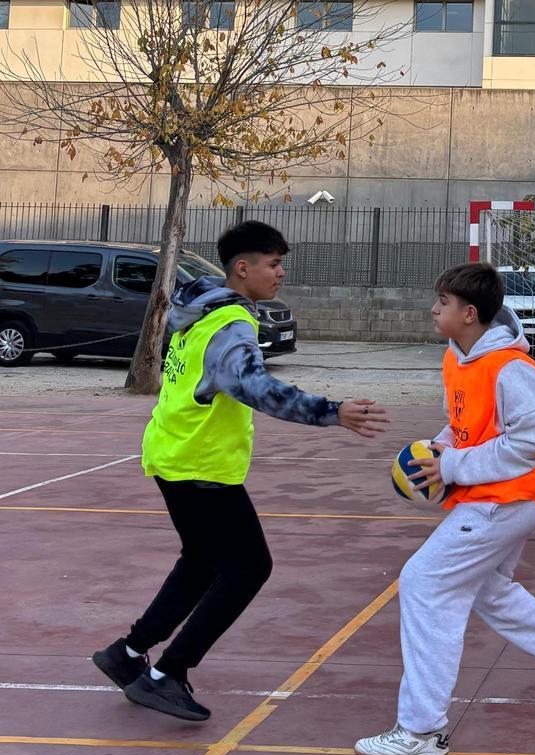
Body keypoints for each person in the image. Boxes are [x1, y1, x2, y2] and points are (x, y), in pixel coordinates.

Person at [91, 221, 390, 722]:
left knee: (203, 562)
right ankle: (168, 674)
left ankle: (127, 652)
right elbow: (254, 386)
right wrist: (331, 411)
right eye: (273, 264)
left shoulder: (197, 312)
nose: (281, 273)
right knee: (249, 568)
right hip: (202, 465)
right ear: (242, 268)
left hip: (175, 454)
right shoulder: (231, 323)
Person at [354, 263, 535, 755]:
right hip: (497, 496)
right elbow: (466, 426)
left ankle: (421, 730)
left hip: (511, 498)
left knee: (425, 583)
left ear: (470, 314)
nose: (434, 309)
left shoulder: (512, 368)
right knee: (488, 590)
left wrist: (453, 464)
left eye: (443, 303)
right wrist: (437, 447)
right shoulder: (460, 358)